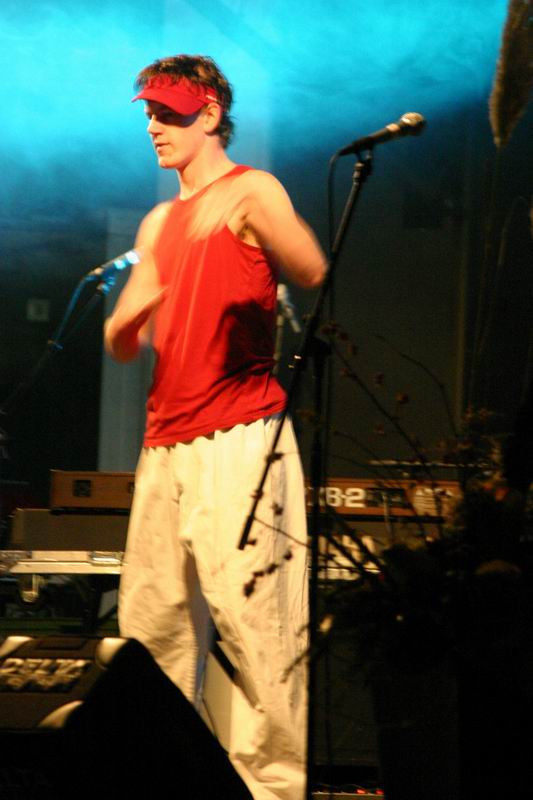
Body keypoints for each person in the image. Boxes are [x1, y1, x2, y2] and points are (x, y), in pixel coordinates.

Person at [104, 54, 326, 800]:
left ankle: (275, 791)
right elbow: (123, 337)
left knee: (259, 627)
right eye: (149, 114)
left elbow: (310, 268)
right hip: (165, 443)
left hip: (240, 435)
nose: (154, 126)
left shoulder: (253, 189)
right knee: (152, 631)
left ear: (209, 114)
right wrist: (127, 318)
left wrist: (247, 216)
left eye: (168, 113)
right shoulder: (159, 220)